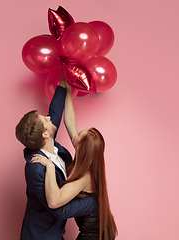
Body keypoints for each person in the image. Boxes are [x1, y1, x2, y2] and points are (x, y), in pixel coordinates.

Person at [15, 76, 99, 240]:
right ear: (45, 134)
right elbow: (60, 210)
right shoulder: (36, 168)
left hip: (55, 235)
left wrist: (63, 80)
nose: (48, 117)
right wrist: (94, 203)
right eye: (45, 119)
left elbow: (55, 111)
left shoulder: (53, 148)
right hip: (39, 237)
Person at [31, 82, 117, 240]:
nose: (74, 135)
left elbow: (54, 201)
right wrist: (68, 87)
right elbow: (69, 121)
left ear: (81, 148)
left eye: (78, 135)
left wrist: (50, 167)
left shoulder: (85, 178)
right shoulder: (85, 157)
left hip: (94, 237)